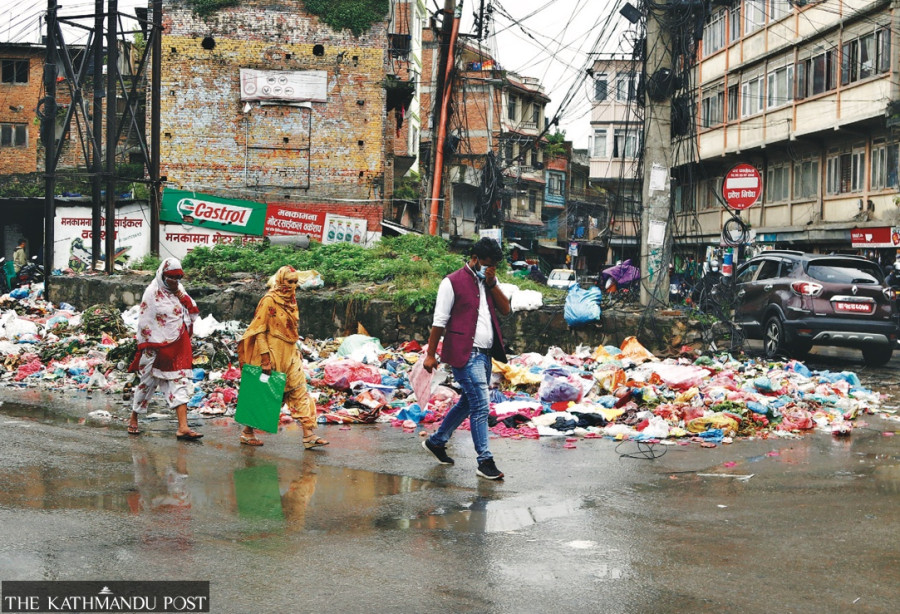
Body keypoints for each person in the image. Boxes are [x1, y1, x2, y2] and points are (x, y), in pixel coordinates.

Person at [421, 238, 511, 480]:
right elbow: (439, 321)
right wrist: (431, 355)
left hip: (484, 355)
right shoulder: (451, 282)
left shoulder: (489, 282)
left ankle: (437, 441)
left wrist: (492, 283)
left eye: (494, 266)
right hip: (464, 353)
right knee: (481, 405)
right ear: (475, 259)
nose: (490, 269)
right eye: (487, 265)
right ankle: (485, 461)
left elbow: (506, 310)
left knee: (469, 403)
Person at [237, 265, 326, 449]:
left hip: (290, 352)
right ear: (280, 281)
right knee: (266, 394)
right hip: (272, 351)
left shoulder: (292, 301)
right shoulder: (269, 300)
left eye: (295, 282)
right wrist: (265, 359)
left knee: (299, 389)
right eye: (288, 282)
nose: (292, 286)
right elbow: (259, 330)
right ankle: (247, 432)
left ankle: (309, 434)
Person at [127, 258, 203, 440]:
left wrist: (180, 295)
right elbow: (145, 322)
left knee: (181, 381)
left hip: (178, 344)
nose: (175, 281)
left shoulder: (179, 290)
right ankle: (134, 417)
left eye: (178, 277)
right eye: (171, 277)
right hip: (156, 347)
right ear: (162, 275)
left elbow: (192, 310)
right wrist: (148, 345)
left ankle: (183, 427)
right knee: (147, 383)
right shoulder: (152, 293)